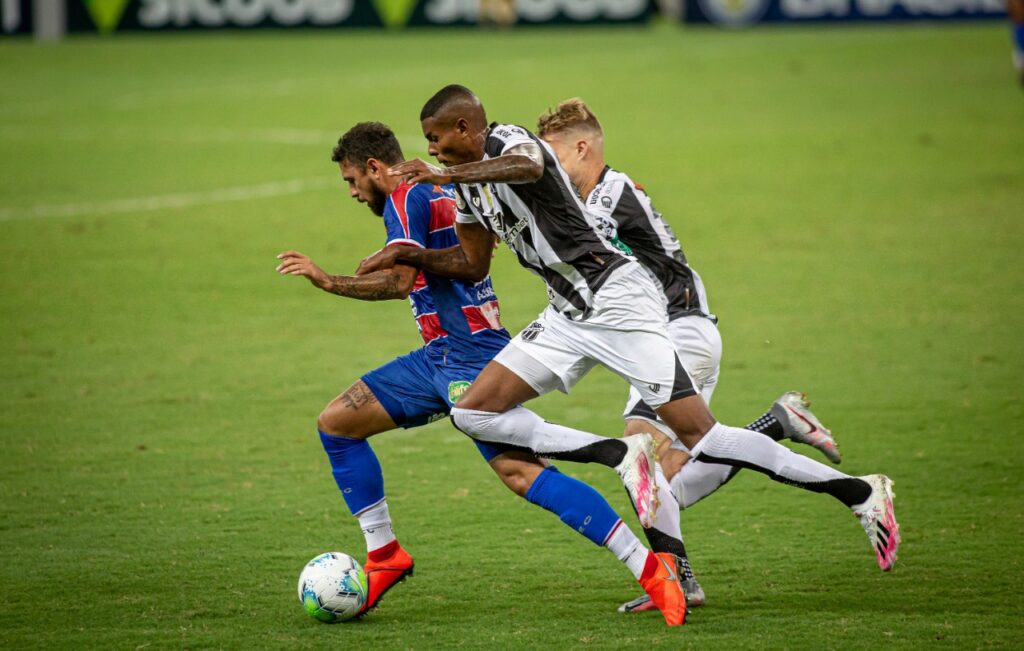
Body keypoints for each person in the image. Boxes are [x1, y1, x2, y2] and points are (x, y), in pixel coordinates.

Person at [359, 86, 900, 596]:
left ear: (463, 127)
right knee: (474, 412)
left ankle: (860, 491)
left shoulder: (509, 141)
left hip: (617, 298)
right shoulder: (466, 188)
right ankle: (622, 454)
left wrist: (444, 176)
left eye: (435, 138)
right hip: (567, 314)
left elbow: (529, 167)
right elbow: (470, 261)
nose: (428, 149)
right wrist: (409, 255)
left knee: (703, 438)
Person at [276, 121, 686, 625]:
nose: (352, 192)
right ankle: (384, 555)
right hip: (436, 354)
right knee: (337, 423)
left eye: (351, 180)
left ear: (375, 168)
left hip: (469, 355)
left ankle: (647, 558)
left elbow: (401, 281)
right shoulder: (431, 196)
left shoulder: (408, 198)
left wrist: (327, 280)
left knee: (522, 474)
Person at [537, 98, 847, 613]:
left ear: (582, 148)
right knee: (666, 489)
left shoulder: (609, 194)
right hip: (660, 333)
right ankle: (776, 422)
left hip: (681, 328)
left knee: (639, 452)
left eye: (551, 157)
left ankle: (681, 581)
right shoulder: (595, 196)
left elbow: (565, 247)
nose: (545, 171)